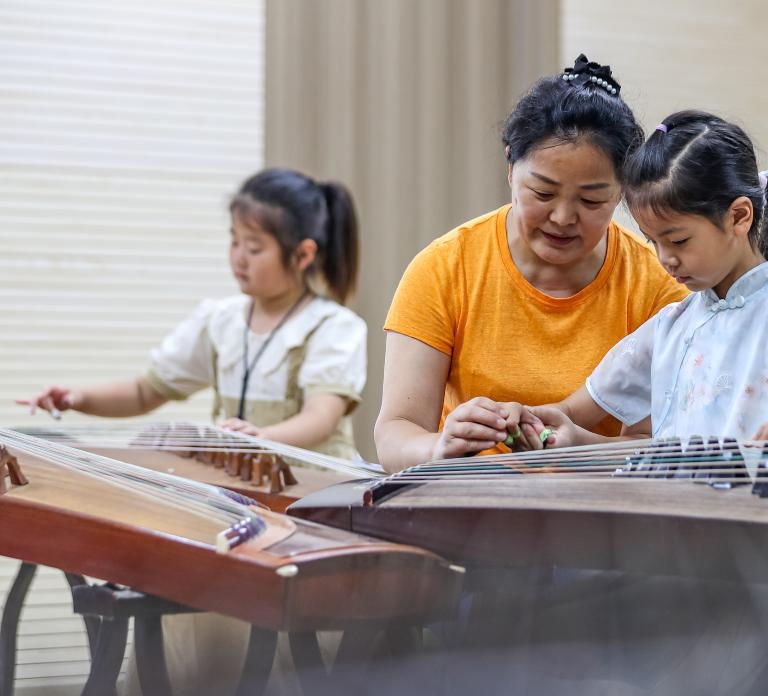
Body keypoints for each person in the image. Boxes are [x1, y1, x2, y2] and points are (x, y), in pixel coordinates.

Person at [374, 55, 689, 471]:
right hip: (464, 505)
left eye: (592, 200)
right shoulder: (445, 268)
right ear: (510, 168)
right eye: (542, 193)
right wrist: (439, 449)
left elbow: (661, 448)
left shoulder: (657, 286)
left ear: (622, 193)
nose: (562, 218)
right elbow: (397, 430)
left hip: (598, 515)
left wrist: (579, 448)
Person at [523, 110, 768, 455]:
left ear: (739, 216)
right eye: (654, 242)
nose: (665, 258)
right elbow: (574, 414)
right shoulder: (671, 326)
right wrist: (548, 429)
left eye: (678, 241)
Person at [18, 167, 366, 459]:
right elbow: (145, 392)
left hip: (316, 497)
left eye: (254, 248)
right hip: (246, 494)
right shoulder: (221, 320)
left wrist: (261, 437)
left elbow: (320, 417)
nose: (238, 258)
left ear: (303, 255)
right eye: (234, 241)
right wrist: (78, 399)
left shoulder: (332, 328)